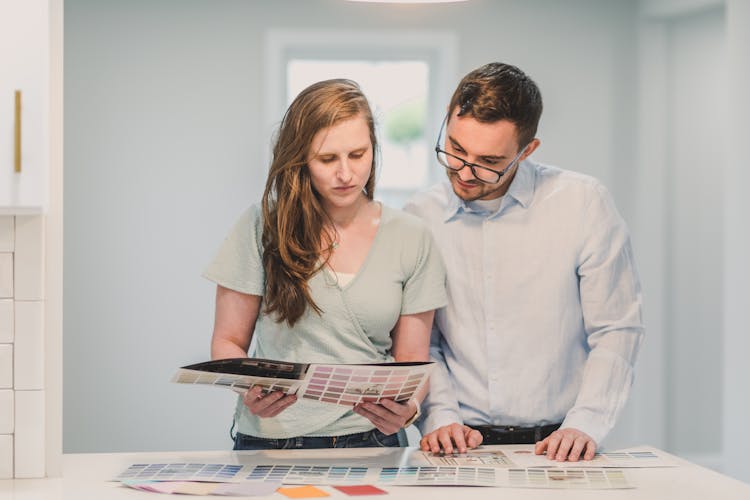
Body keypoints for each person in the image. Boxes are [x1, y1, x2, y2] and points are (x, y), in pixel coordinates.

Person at [405, 62, 644, 461]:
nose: (464, 172)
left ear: (527, 150)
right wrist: (439, 416)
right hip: (458, 446)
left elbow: (617, 328)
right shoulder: (419, 217)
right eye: (455, 149)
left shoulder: (582, 203)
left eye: (489, 162)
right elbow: (425, 341)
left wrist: (585, 423)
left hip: (560, 445)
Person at [203, 79, 447, 450]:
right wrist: (248, 387)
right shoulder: (260, 225)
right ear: (300, 159)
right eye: (327, 159)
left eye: (358, 154)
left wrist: (410, 408)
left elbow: (412, 360)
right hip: (271, 442)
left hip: (373, 441)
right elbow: (228, 341)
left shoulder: (412, 236)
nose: (346, 174)